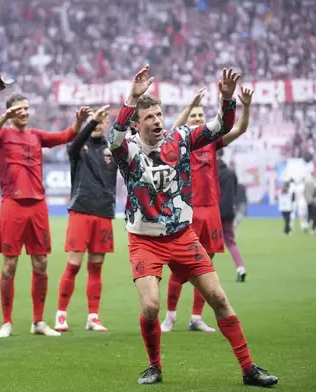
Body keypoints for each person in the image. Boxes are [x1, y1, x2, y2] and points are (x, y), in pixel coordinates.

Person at [107, 64, 277, 387]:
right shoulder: (127, 151)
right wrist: (131, 97)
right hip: (144, 240)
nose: (157, 121)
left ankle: (248, 369)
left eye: (159, 115)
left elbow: (220, 126)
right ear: (137, 123)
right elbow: (112, 136)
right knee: (150, 307)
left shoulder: (180, 138)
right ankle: (154, 366)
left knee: (220, 298)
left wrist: (227, 100)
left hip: (183, 235)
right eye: (149, 117)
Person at [0, 94, 83, 339]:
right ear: (10, 112)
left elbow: (65, 136)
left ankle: (38, 321)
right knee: (9, 265)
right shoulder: (3, 136)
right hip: (13, 203)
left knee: (41, 263)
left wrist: (79, 122)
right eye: (19, 108)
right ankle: (6, 321)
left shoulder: (36, 136)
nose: (25, 112)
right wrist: (3, 117)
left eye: (27, 108)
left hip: (38, 205)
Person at [160, 85, 254, 333]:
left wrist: (246, 106)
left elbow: (240, 129)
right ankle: (170, 316)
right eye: (194, 116)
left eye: (201, 116)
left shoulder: (212, 143)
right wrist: (189, 105)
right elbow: (170, 132)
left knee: (206, 265)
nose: (198, 119)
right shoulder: (181, 143)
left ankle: (196, 317)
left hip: (211, 210)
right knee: (180, 267)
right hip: (188, 210)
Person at [54, 105, 115, 333]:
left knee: (96, 267)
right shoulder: (78, 147)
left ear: (107, 123)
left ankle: (93, 317)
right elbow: (73, 144)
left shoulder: (113, 150)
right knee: (74, 265)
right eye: (94, 121)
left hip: (104, 213)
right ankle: (61, 314)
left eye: (102, 120)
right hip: (81, 210)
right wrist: (88, 122)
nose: (99, 124)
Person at [217, 150, 247, 282]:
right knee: (230, 241)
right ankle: (241, 268)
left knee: (204, 243)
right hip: (229, 211)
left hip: (213, 212)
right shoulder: (230, 172)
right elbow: (234, 191)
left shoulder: (210, 171)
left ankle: (201, 273)